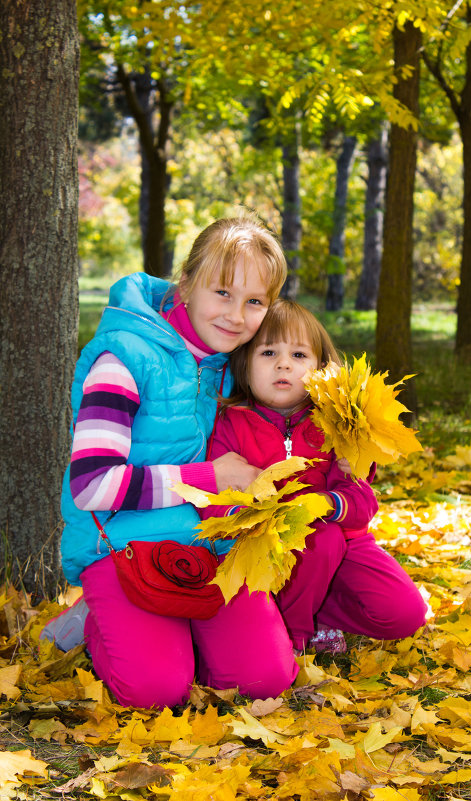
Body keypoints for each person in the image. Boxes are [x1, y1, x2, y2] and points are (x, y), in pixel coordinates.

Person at [41, 215, 303, 709]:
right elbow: (92, 485)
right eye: (222, 292)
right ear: (186, 284)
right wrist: (210, 478)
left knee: (266, 678)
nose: (235, 315)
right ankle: (98, 621)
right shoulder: (123, 359)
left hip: (210, 544)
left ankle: (179, 632)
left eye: (253, 301)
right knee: (156, 690)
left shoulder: (231, 365)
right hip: (121, 546)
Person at [199, 299, 427, 653]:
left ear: (321, 367)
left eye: (299, 356)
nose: (283, 364)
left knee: (404, 613)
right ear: (244, 363)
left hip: (341, 546)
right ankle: (292, 637)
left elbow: (363, 504)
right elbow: (213, 502)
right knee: (322, 541)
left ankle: (319, 611)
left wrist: (329, 501)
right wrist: (243, 518)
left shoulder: (336, 422)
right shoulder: (230, 423)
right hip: (263, 549)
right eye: (269, 352)